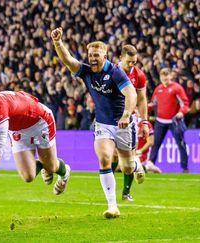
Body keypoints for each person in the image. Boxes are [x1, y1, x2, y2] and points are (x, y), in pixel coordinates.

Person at [51, 27, 145, 219]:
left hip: (123, 124)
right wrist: (58, 43)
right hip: (102, 124)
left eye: (96, 55)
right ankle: (112, 206)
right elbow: (68, 60)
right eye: (90, 55)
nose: (92, 58)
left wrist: (127, 115)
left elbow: (131, 93)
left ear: (105, 55)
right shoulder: (86, 72)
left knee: (125, 167)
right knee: (104, 158)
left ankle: (137, 166)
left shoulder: (116, 71)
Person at [0, 85, 71, 199]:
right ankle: (44, 164)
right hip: (17, 129)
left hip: (39, 121)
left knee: (52, 167)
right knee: (28, 177)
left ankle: (64, 173)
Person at [112, 45, 154, 201]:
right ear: (121, 57)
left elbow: (142, 100)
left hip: (128, 120)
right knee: (109, 156)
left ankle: (126, 192)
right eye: (129, 62)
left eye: (134, 62)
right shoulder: (111, 71)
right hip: (108, 118)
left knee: (126, 161)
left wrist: (144, 122)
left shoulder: (139, 75)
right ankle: (110, 194)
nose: (131, 65)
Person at [148, 68, 190, 173]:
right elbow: (153, 103)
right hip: (160, 121)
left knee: (181, 144)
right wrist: (143, 109)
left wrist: (181, 112)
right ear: (160, 77)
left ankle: (185, 168)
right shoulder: (158, 89)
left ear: (170, 76)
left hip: (174, 121)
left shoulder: (176, 88)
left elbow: (185, 103)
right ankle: (151, 165)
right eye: (163, 76)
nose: (165, 78)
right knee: (155, 144)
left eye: (167, 76)